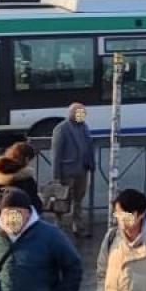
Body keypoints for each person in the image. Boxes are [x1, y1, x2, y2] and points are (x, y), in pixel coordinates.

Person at [50, 101, 98, 237]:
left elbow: (88, 146)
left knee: (79, 199)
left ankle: (78, 226)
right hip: (67, 171)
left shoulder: (84, 127)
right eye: (79, 113)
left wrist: (91, 165)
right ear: (71, 113)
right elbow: (56, 154)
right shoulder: (61, 128)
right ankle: (58, 227)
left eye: (83, 113)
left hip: (82, 170)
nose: (82, 115)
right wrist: (56, 176)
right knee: (62, 200)